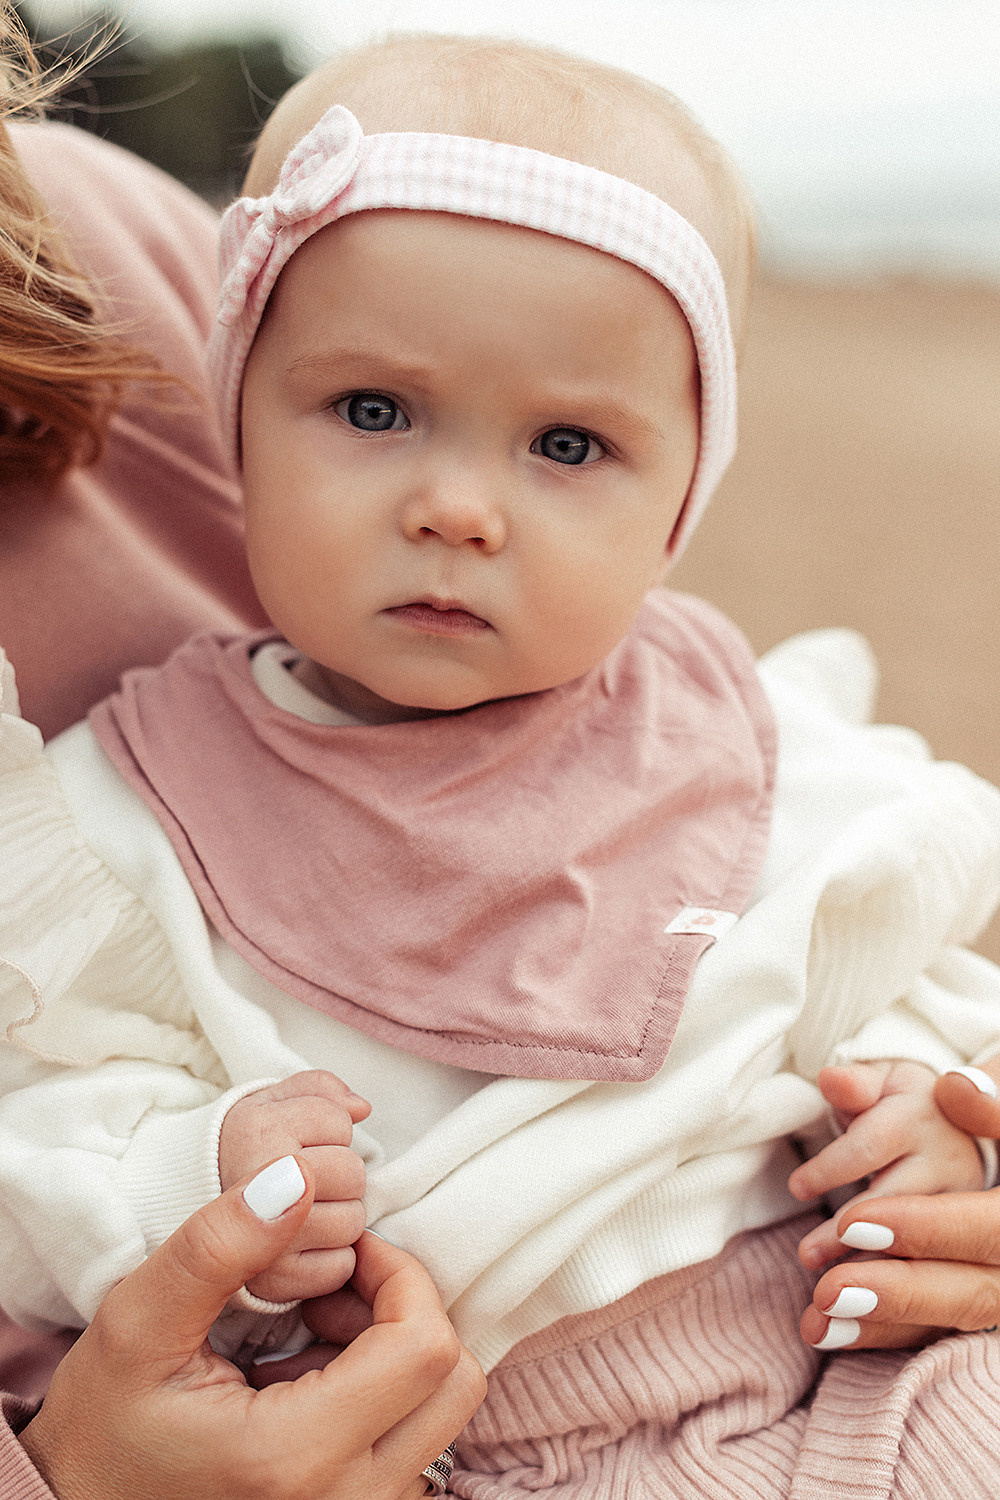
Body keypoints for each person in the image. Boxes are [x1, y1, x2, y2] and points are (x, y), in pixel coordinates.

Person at [5, 26, 1000, 1499]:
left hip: (847, 1356)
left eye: (570, 446)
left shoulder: (748, 744)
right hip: (453, 1441)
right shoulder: (126, 816)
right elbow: (46, 1113)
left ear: (680, 502)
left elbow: (897, 963)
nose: (460, 506)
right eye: (372, 411)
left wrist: (939, 1121)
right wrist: (191, 1172)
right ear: (234, 430)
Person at [0, 12, 485, 1495]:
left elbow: (589, 723)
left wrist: (913, 1103)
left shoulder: (73, 252)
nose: (459, 511)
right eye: (374, 413)